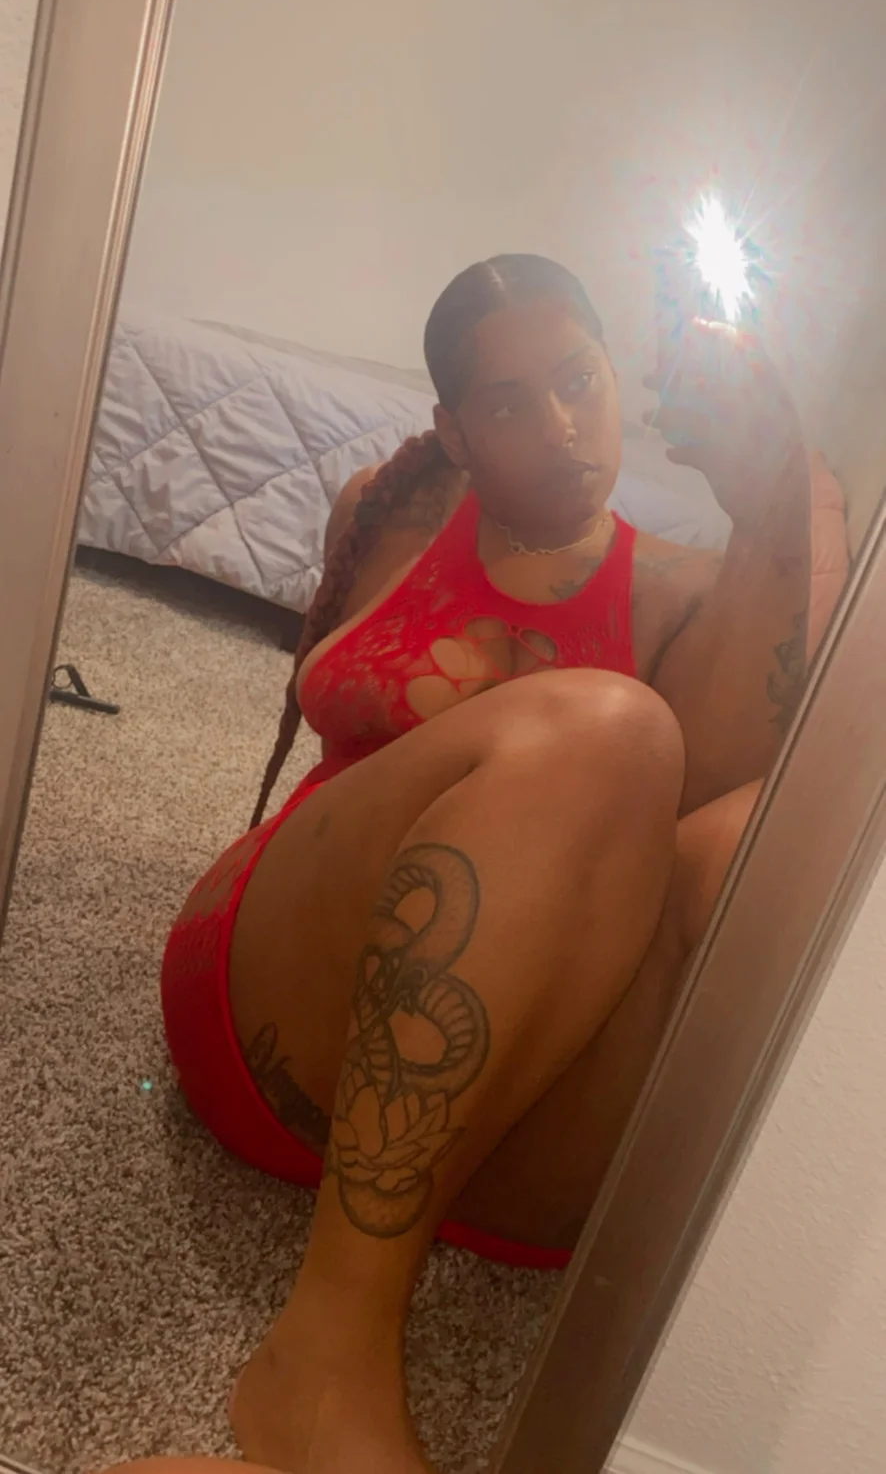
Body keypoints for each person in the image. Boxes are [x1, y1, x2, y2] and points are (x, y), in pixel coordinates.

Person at [161, 255, 811, 1474]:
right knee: (608, 729)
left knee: (740, 829)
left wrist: (775, 511)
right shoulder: (392, 507)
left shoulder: (679, 590)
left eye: (579, 381)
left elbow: (692, 871)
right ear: (454, 429)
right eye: (509, 402)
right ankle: (324, 1358)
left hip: (498, 1110)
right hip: (281, 995)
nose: (560, 426)